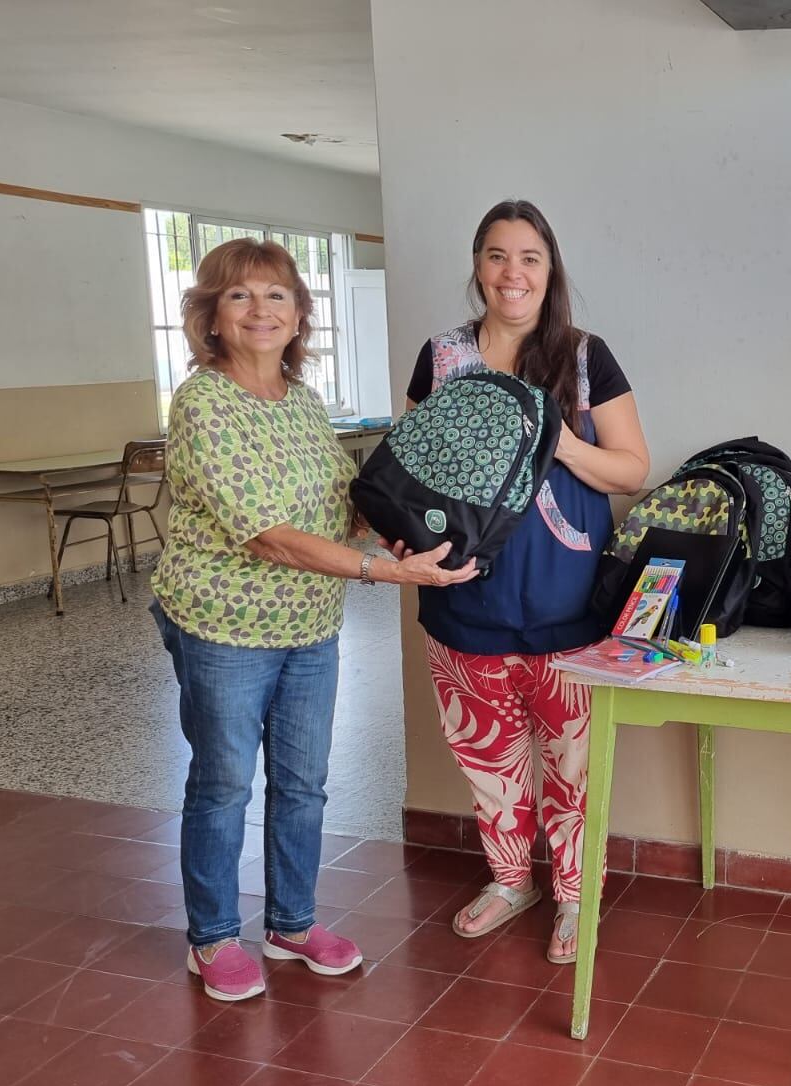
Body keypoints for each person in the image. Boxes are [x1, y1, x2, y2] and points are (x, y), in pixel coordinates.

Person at [153, 238, 474, 1002]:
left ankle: (292, 924)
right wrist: (389, 570)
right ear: (212, 316)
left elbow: (337, 510)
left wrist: (397, 534)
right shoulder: (203, 402)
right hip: (223, 626)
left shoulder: (303, 401)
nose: (260, 310)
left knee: (303, 784)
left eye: (276, 295)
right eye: (239, 296)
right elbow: (266, 533)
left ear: (300, 315)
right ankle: (213, 938)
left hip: (308, 626)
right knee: (225, 783)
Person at [401, 200, 650, 965]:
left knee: (574, 766)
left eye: (530, 257)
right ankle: (512, 881)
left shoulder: (583, 357)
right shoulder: (441, 358)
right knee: (489, 759)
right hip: (465, 597)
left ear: (551, 269)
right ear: (478, 267)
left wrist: (566, 442)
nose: (514, 273)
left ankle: (576, 895)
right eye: (498, 255)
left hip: (569, 603)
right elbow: (407, 468)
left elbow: (633, 469)